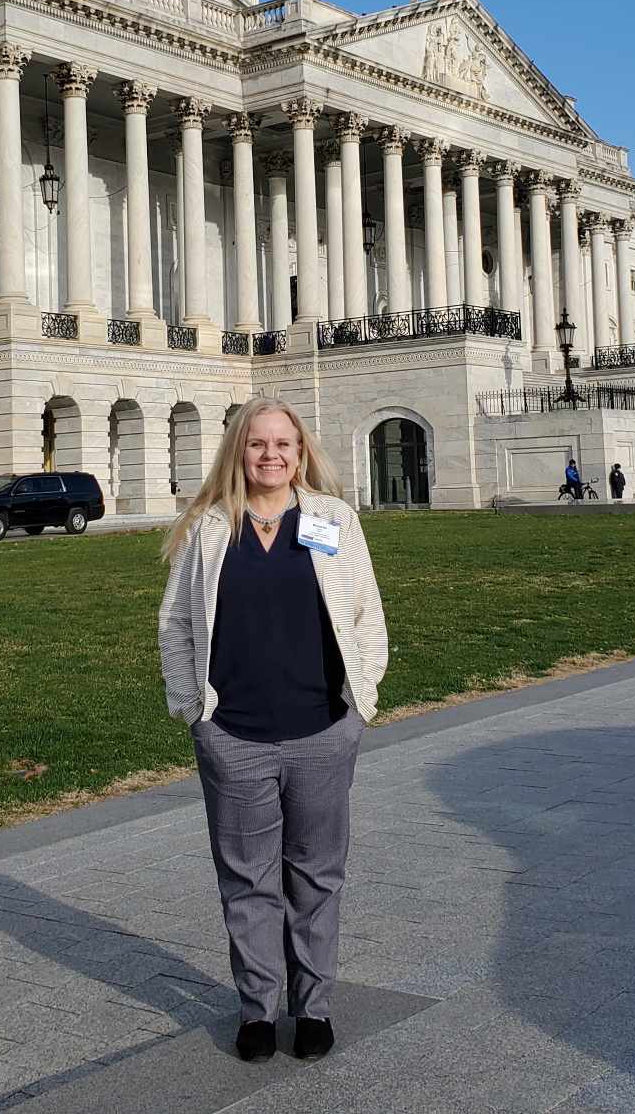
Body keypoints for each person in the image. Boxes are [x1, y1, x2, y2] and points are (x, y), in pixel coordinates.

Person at [157, 398, 389, 1065]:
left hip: (321, 728)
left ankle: (312, 1007)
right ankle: (258, 1010)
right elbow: (175, 625)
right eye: (258, 444)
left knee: (316, 877)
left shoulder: (329, 518)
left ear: (300, 450)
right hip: (234, 735)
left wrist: (359, 706)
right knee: (248, 881)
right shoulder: (208, 527)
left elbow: (366, 612)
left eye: (283, 444)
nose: (271, 456)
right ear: (238, 450)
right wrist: (192, 712)